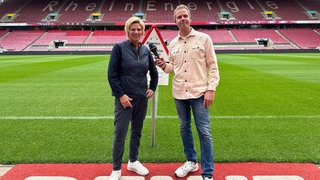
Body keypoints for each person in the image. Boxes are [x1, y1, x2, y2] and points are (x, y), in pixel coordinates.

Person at [155, 4, 220, 180]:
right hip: (179, 94)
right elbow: (173, 69)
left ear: (190, 18)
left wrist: (211, 89)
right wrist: (164, 66)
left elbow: (213, 66)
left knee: (204, 132)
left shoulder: (204, 38)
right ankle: (191, 162)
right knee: (184, 128)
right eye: (179, 17)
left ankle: (207, 173)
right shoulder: (173, 43)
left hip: (200, 93)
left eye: (185, 16)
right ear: (175, 21)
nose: (182, 19)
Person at [107, 16, 158, 180]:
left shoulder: (145, 50)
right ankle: (116, 168)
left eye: (139, 29)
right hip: (124, 100)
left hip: (141, 99)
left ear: (143, 32)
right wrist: (121, 95)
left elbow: (154, 72)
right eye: (133, 29)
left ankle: (133, 161)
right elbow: (112, 75)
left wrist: (152, 88)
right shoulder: (119, 48)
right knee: (120, 133)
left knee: (137, 132)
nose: (136, 32)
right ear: (127, 31)